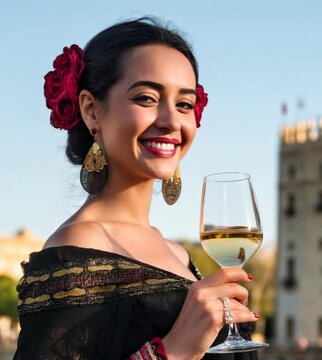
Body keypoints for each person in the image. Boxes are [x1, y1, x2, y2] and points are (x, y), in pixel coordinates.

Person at [13, 18, 260, 360]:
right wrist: (173, 351)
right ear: (91, 110)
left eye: (184, 104)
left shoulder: (178, 253)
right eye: (146, 98)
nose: (171, 121)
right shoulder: (74, 251)